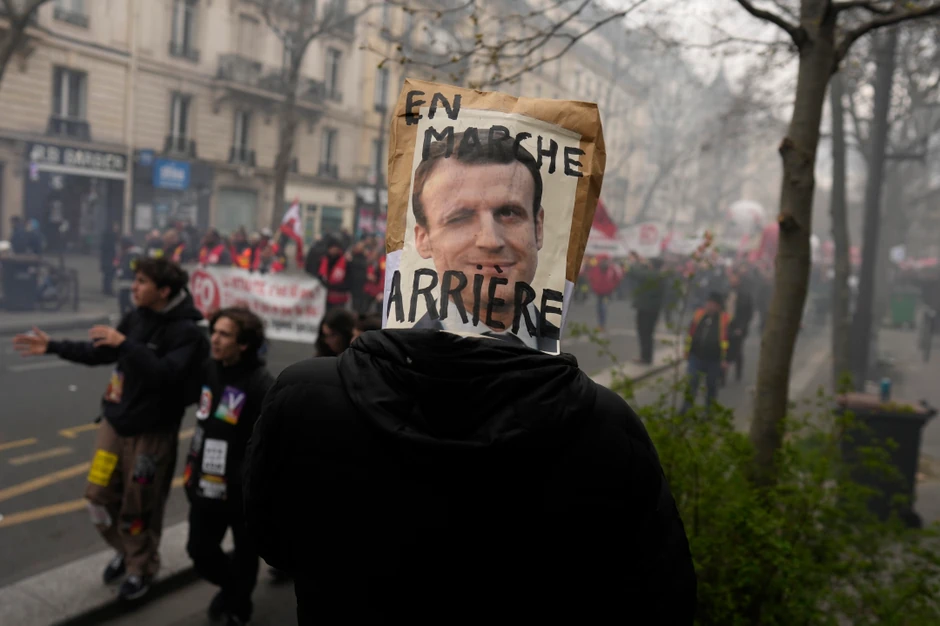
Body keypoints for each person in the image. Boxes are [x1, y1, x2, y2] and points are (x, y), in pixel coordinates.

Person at [243, 328, 697, 625]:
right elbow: (660, 592)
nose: (488, 240)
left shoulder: (303, 393)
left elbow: (273, 540)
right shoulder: (606, 421)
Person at [12, 258, 208, 600]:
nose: (133, 287)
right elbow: (100, 352)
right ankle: (128, 550)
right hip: (114, 425)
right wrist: (54, 346)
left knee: (140, 503)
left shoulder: (188, 332)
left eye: (142, 282)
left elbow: (166, 374)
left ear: (163, 291)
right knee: (98, 496)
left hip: (152, 433)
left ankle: (141, 569)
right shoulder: (136, 317)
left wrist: (126, 345)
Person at [410, 131, 558, 352]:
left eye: (508, 213)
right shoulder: (389, 371)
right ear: (423, 240)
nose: (490, 241)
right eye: (460, 218)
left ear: (538, 228)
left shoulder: (570, 358)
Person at [185, 308, 274, 626]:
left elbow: (272, 439)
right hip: (206, 482)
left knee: (245, 553)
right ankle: (232, 587)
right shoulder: (209, 368)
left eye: (224, 335)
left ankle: (239, 606)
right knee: (199, 551)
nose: (215, 339)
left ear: (244, 344)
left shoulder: (260, 383)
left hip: (241, 491)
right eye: (215, 332)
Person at [681, 292, 730, 414]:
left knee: (711, 385)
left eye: (713, 304)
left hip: (714, 359)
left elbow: (728, 340)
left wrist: (725, 359)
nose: (710, 306)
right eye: (708, 303)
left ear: (718, 306)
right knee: (692, 382)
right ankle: (686, 409)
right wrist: (687, 351)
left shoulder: (724, 319)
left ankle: (709, 411)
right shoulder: (698, 315)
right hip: (696, 356)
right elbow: (691, 333)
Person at [632, 257, 666, 365]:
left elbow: (635, 273)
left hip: (646, 309)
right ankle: (646, 356)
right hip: (652, 309)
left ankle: (645, 357)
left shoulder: (653, 275)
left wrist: (637, 263)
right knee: (647, 333)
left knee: (644, 333)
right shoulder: (659, 275)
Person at [724, 269, 754, 383]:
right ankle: (723, 374)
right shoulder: (726, 291)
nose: (732, 280)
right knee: (725, 349)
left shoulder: (745, 294)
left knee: (737, 350)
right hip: (727, 324)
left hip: (739, 326)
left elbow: (747, 314)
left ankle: (738, 372)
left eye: (734, 278)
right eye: (731, 278)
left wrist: (741, 327)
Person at [586, 255, 623, 333]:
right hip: (607, 291)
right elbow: (618, 277)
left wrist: (593, 286)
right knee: (603, 307)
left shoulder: (595, 267)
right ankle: (601, 324)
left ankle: (601, 325)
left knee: (600, 307)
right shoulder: (612, 267)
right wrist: (613, 286)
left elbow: (590, 277)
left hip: (599, 291)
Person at [317, 236, 350, 311]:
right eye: (332, 248)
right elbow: (318, 276)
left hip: (340, 300)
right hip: (324, 299)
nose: (334, 250)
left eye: (336, 248)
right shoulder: (323, 261)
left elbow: (349, 281)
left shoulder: (345, 262)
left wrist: (332, 286)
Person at [100, 222, 120, 296]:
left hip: (106, 259)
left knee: (106, 275)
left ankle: (105, 288)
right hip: (110, 259)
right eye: (116, 226)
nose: (117, 228)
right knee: (110, 275)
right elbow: (114, 249)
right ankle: (108, 290)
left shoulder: (106, 236)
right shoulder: (113, 236)